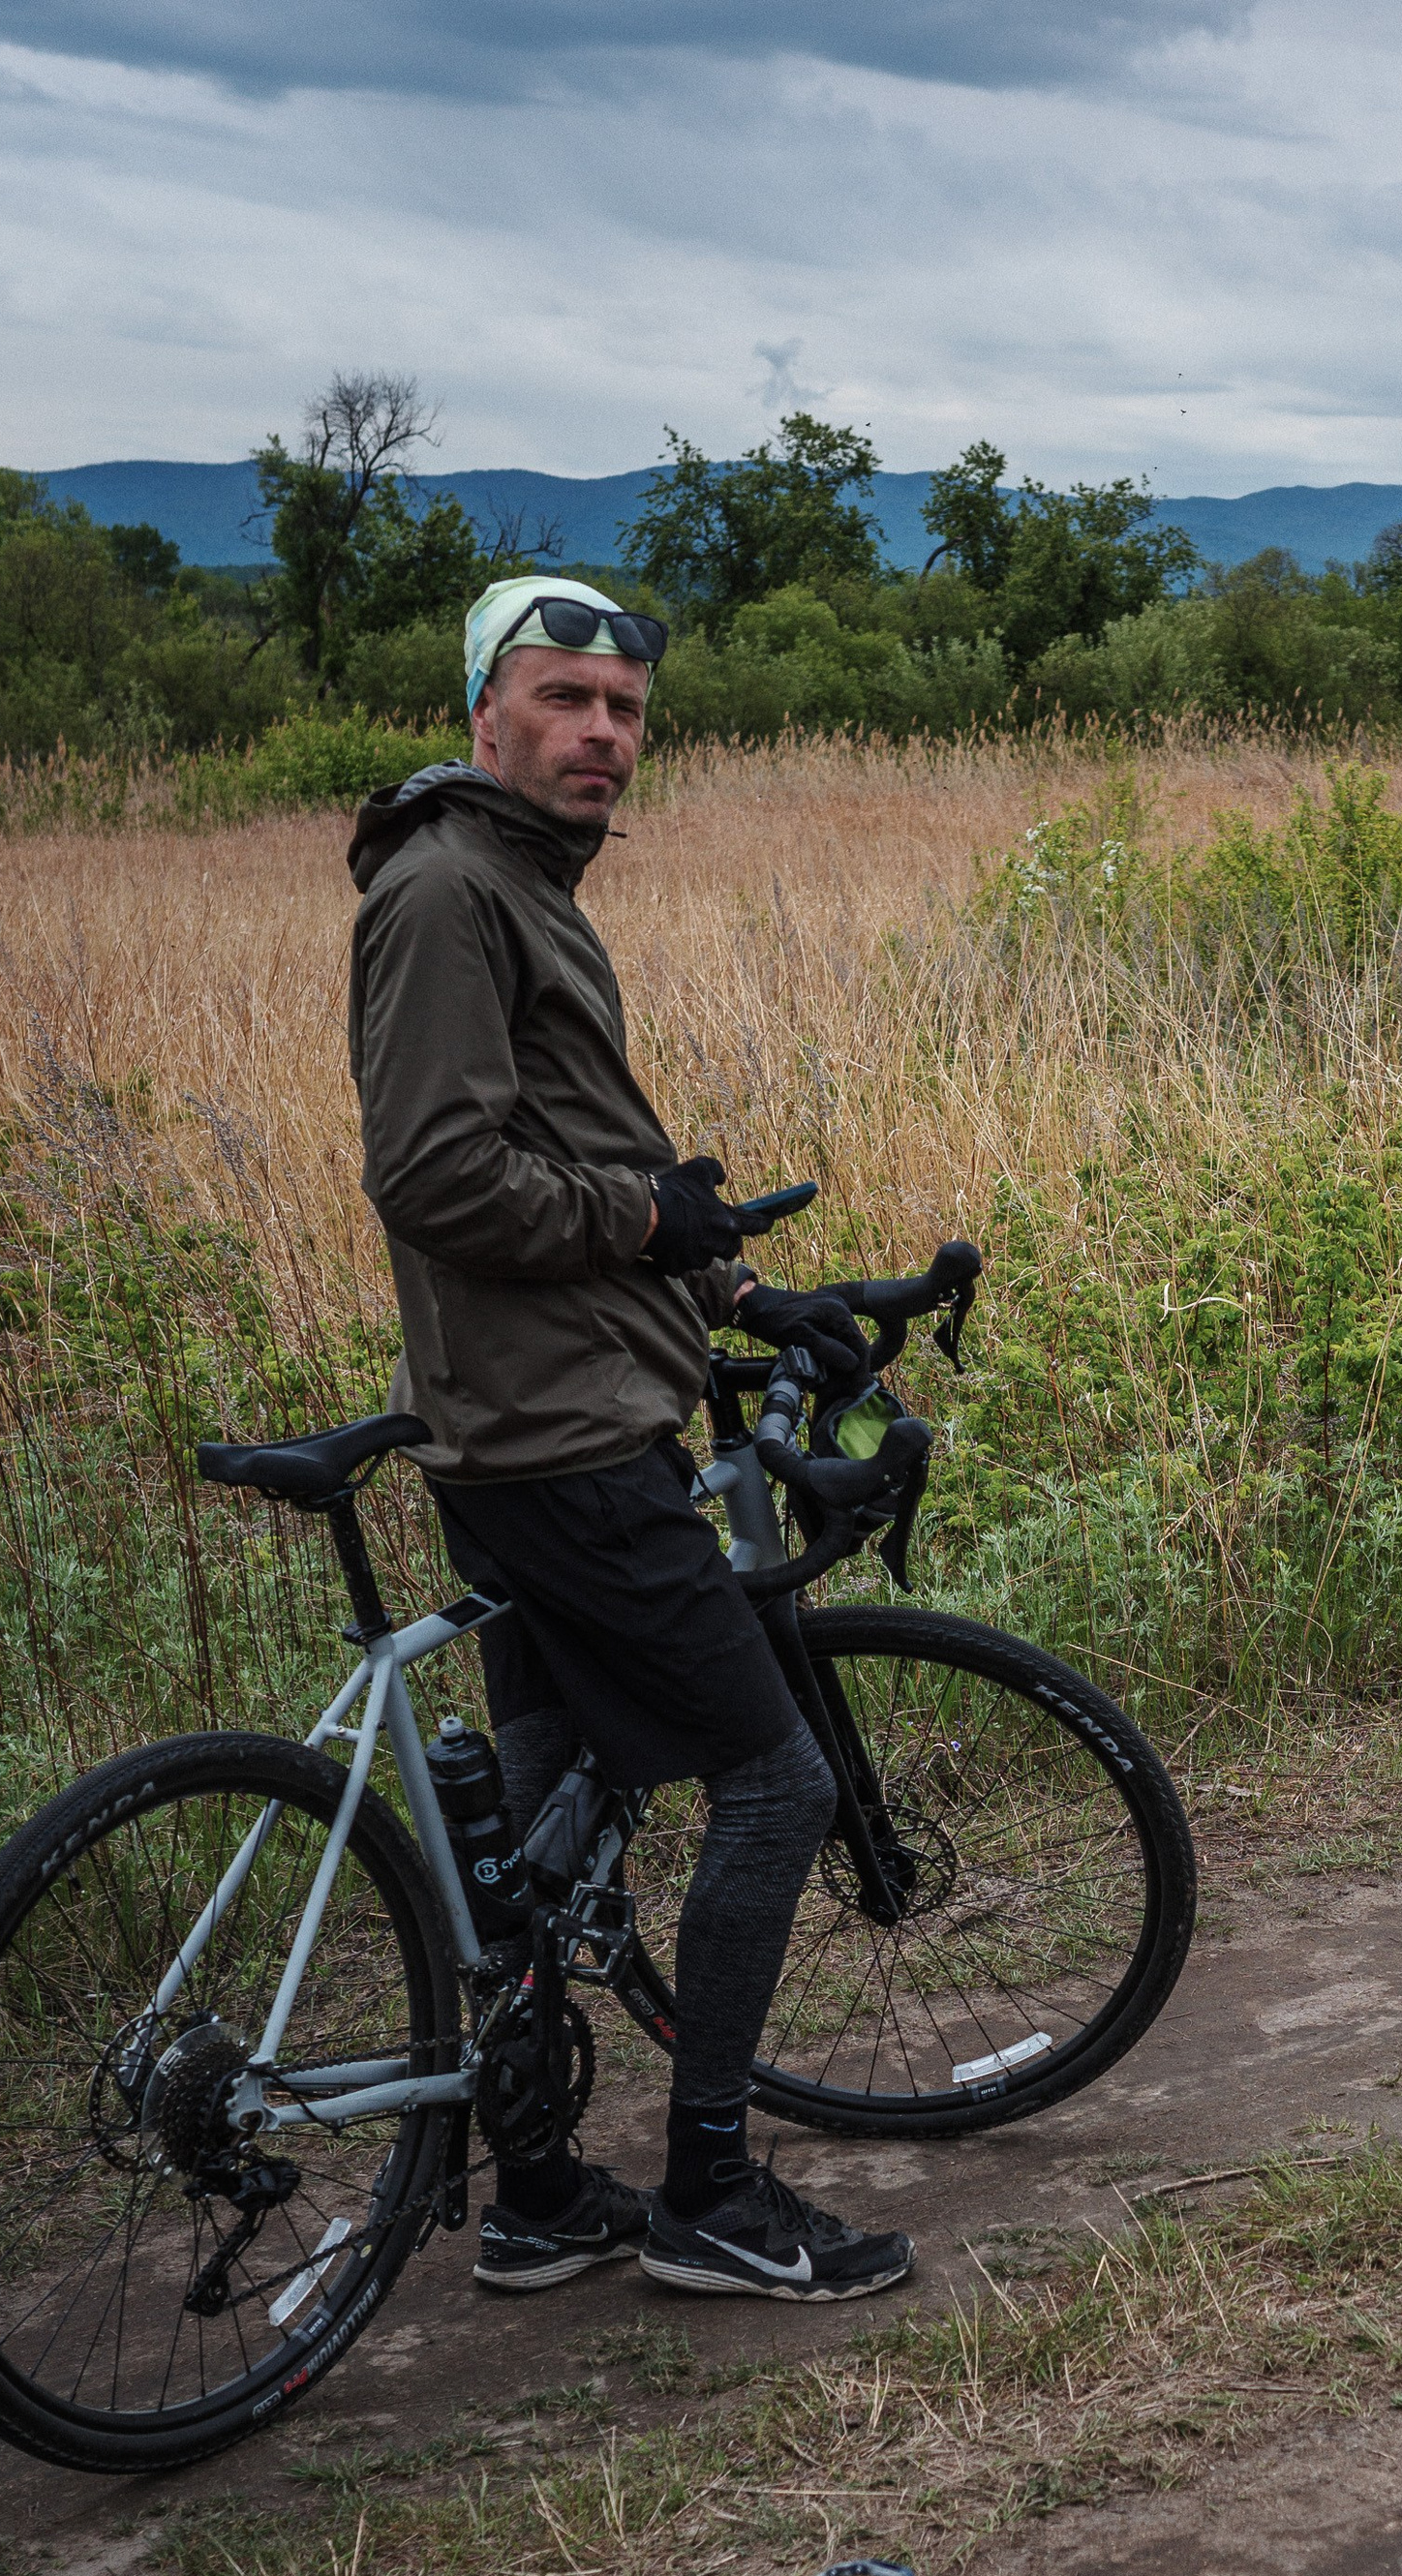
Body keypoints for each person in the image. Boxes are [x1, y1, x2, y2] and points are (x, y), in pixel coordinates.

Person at [347, 570, 914, 2310]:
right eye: (565, 698)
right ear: (485, 715)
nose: (602, 733)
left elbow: (589, 1164)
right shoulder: (447, 892)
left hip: (548, 1413)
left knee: (542, 1807)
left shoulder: (518, 880)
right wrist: (653, 1223)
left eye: (626, 710)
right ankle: (715, 2192)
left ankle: (532, 2193)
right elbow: (440, 1177)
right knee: (777, 1782)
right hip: (558, 1439)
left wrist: (739, 1289)